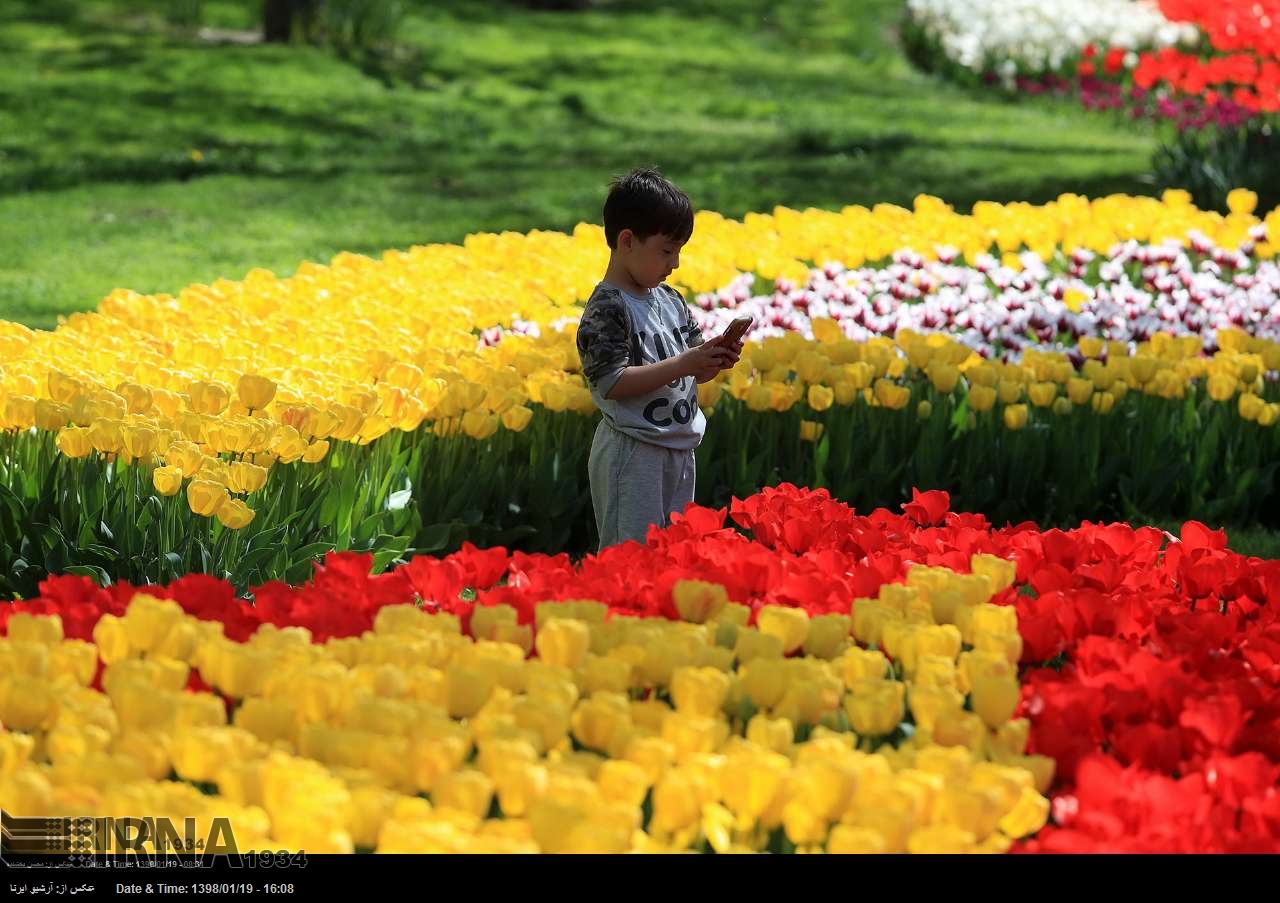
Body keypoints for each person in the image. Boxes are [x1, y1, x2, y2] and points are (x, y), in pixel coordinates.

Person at [575, 168, 742, 551]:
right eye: (667, 251)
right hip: (632, 450)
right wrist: (685, 364)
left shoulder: (670, 299)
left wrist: (712, 358)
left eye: (678, 251)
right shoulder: (607, 307)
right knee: (630, 553)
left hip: (679, 445)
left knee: (672, 550)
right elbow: (612, 382)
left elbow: (691, 369)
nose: (675, 263)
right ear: (628, 241)